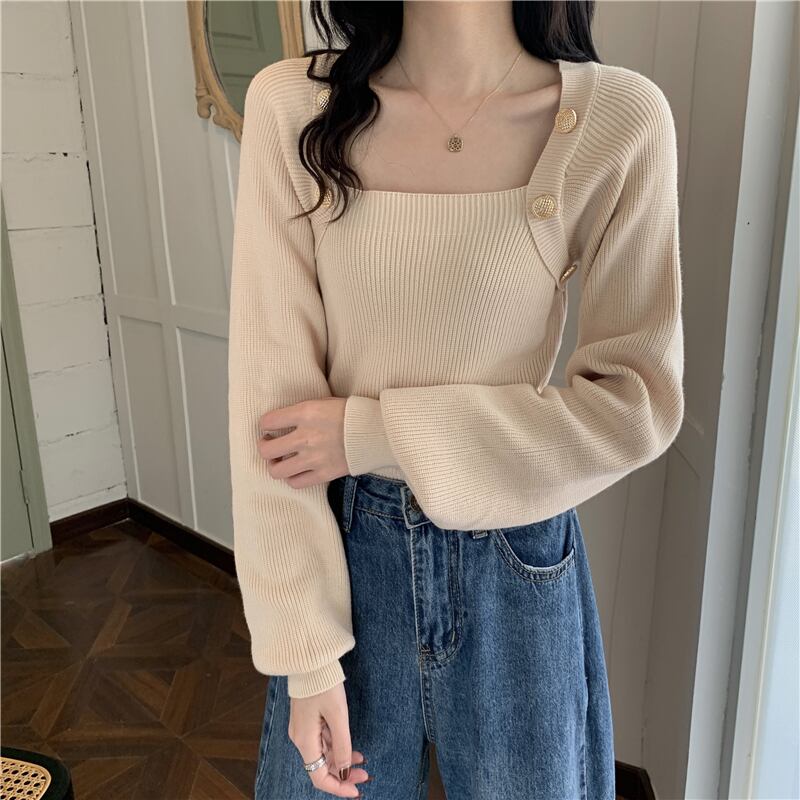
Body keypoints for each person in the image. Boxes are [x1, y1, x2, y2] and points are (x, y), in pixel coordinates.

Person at [227, 1, 684, 798]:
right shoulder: (293, 108)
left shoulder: (619, 120)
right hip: (343, 555)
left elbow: (634, 406)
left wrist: (376, 432)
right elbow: (270, 414)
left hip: (518, 565)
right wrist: (305, 658)